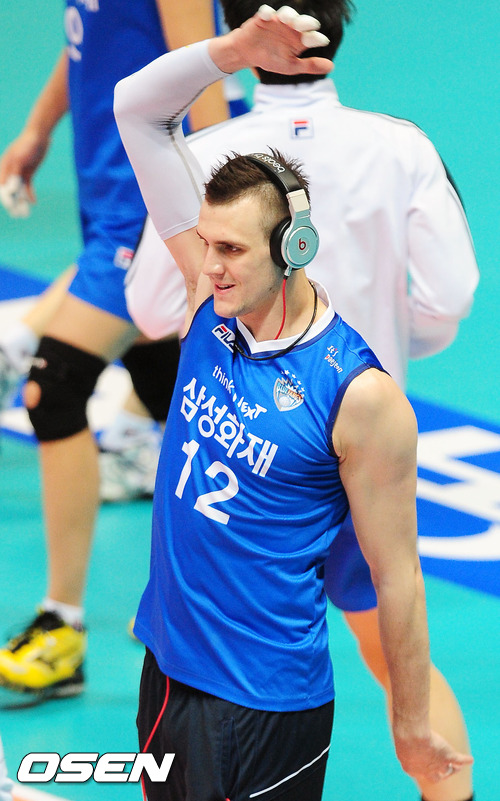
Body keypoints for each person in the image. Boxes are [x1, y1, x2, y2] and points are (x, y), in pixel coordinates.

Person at [113, 7, 473, 799]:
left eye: (230, 249)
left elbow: (399, 576)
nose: (206, 266)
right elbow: (135, 109)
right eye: (205, 244)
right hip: (166, 667)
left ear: (294, 248)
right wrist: (230, 50)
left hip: (262, 701)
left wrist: (411, 723)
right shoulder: (210, 309)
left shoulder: (359, 396)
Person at [0, 0, 229, 699]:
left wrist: (218, 222)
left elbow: (206, 76)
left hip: (149, 207)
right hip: (105, 193)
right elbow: (85, 40)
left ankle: (61, 628)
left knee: (55, 386)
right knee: (171, 392)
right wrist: (39, 128)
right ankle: (199, 596)